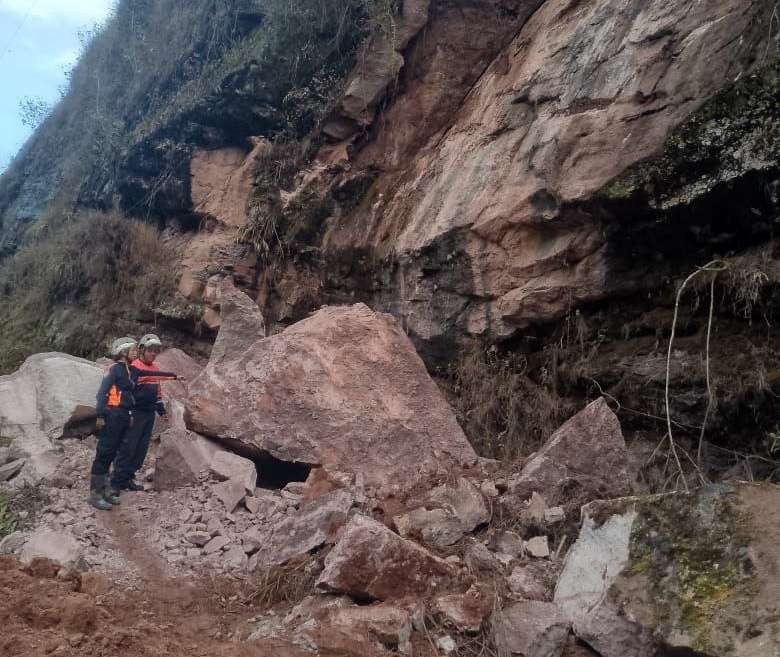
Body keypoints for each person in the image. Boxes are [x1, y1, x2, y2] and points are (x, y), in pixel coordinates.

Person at [112, 333, 178, 492]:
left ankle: (128, 478)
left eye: (156, 351)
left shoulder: (155, 369)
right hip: (134, 413)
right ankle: (115, 482)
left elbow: (157, 390)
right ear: (141, 350)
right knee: (127, 447)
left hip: (148, 414)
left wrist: (160, 406)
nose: (153, 354)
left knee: (140, 449)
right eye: (150, 350)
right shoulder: (133, 367)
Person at [90, 337, 139, 510]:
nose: (136, 352)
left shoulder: (127, 370)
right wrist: (101, 416)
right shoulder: (114, 369)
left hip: (123, 416)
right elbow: (102, 393)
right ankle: (96, 494)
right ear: (123, 353)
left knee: (114, 453)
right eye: (132, 350)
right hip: (112, 415)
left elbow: (128, 395)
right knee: (105, 452)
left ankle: (106, 490)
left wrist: (130, 413)